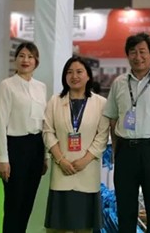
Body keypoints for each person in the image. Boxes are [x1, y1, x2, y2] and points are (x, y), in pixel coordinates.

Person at [103, 32, 150, 233]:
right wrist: (116, 149)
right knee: (125, 207)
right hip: (126, 151)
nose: (138, 57)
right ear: (127, 55)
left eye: (142, 51)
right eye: (133, 52)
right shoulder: (119, 83)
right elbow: (113, 118)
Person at [43, 56, 110, 233]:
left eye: (79, 72)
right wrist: (61, 160)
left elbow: (102, 136)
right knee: (57, 228)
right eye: (70, 72)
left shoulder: (101, 103)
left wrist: (84, 160)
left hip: (87, 173)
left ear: (88, 76)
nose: (74, 76)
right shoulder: (55, 101)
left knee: (84, 227)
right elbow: (48, 132)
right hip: (61, 172)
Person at [0, 41, 48, 233]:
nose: (26, 60)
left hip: (36, 147)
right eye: (22, 56)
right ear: (15, 59)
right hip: (15, 147)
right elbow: (1, 122)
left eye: (30, 57)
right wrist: (3, 158)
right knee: (13, 203)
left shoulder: (41, 87)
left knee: (28, 202)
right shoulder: (7, 85)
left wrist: (45, 156)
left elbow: (44, 122)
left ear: (36, 61)